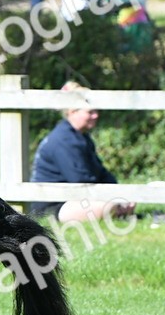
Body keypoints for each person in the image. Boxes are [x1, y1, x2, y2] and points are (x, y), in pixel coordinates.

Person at [29, 82, 136, 224]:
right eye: (90, 112)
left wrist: (119, 193)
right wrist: (113, 199)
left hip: (75, 199)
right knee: (109, 206)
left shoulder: (81, 137)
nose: (96, 116)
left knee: (125, 199)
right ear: (72, 112)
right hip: (54, 206)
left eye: (96, 111)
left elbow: (101, 173)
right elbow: (80, 182)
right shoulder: (63, 140)